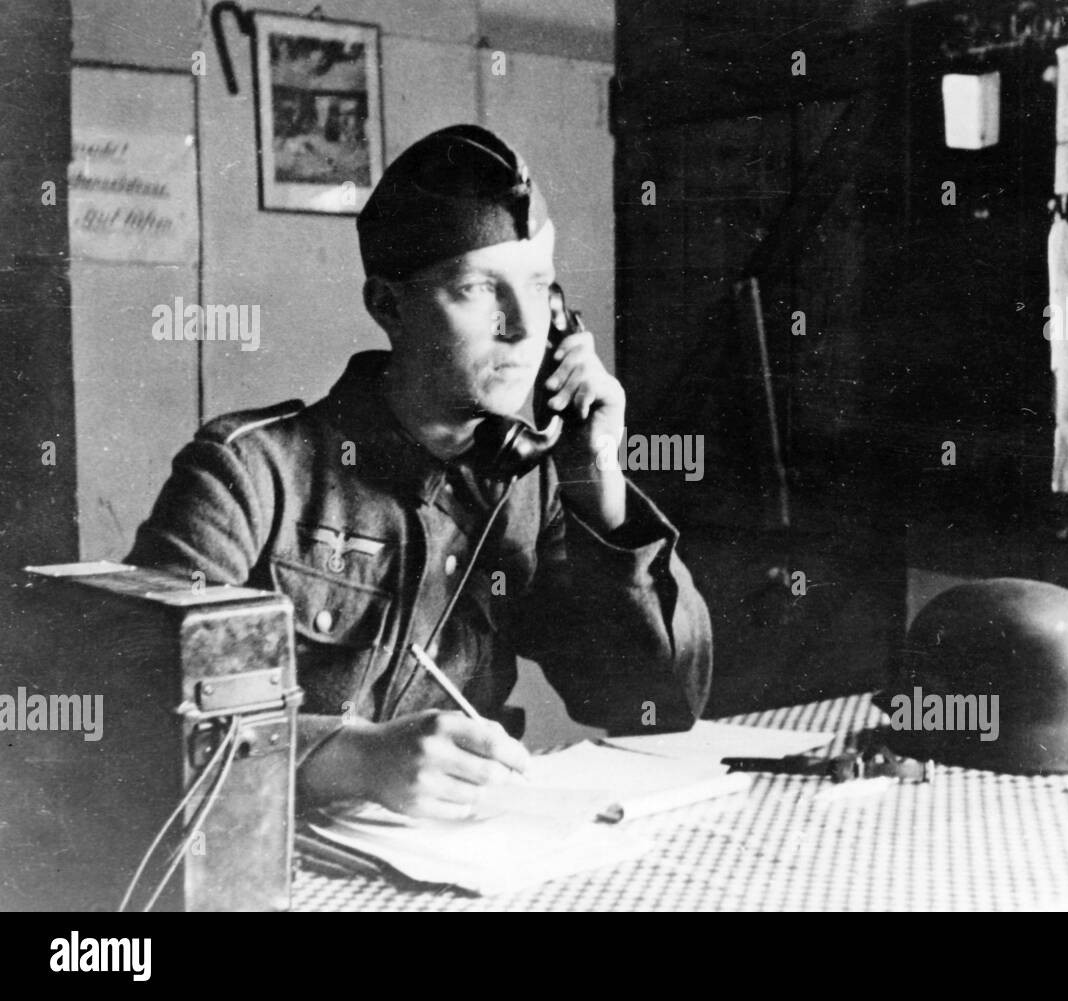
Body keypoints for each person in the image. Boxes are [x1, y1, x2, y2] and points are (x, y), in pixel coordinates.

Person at [126, 124, 712, 820]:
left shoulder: (534, 485)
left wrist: (601, 492)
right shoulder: (249, 474)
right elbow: (134, 713)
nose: (523, 327)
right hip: (267, 860)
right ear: (388, 305)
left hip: (463, 864)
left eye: (538, 286)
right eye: (476, 287)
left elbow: (657, 705)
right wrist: (349, 759)